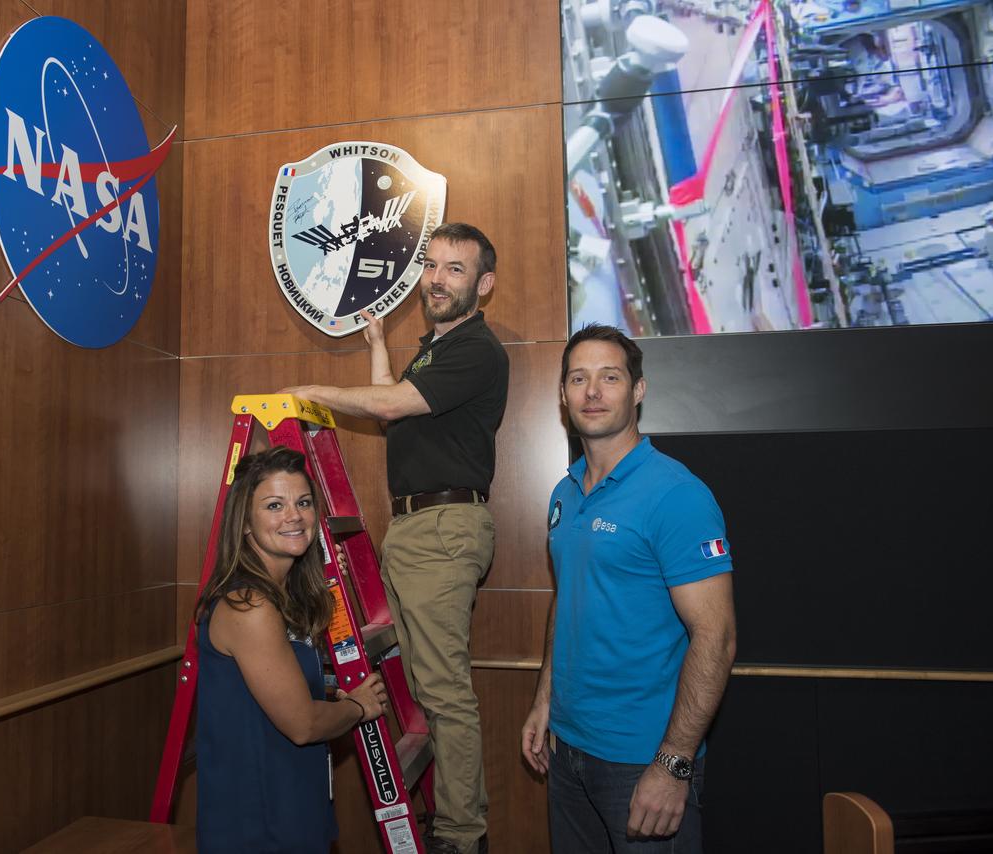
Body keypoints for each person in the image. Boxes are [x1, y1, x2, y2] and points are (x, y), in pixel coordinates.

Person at [282, 222, 509, 854]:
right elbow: (393, 402)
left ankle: (463, 839)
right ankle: (449, 824)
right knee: (420, 684)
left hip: (442, 527)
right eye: (431, 265)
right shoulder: (437, 349)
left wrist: (305, 392)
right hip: (416, 528)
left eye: (454, 269)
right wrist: (378, 341)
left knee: (442, 691)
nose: (436, 278)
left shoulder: (475, 348)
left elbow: (387, 408)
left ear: (483, 285)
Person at [520, 324, 736, 853]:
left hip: (643, 761)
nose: (592, 392)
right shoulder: (564, 493)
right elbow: (568, 601)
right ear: (564, 395)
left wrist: (673, 763)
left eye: (609, 377)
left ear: (637, 390)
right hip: (569, 750)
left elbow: (717, 637)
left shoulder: (677, 495)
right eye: (578, 379)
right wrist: (544, 699)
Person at [194, 445, 388, 854]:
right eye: (274, 505)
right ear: (245, 523)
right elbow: (303, 725)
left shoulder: (281, 594)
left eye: (302, 502)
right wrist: (359, 706)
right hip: (257, 823)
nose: (293, 516)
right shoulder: (249, 605)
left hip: (293, 803)